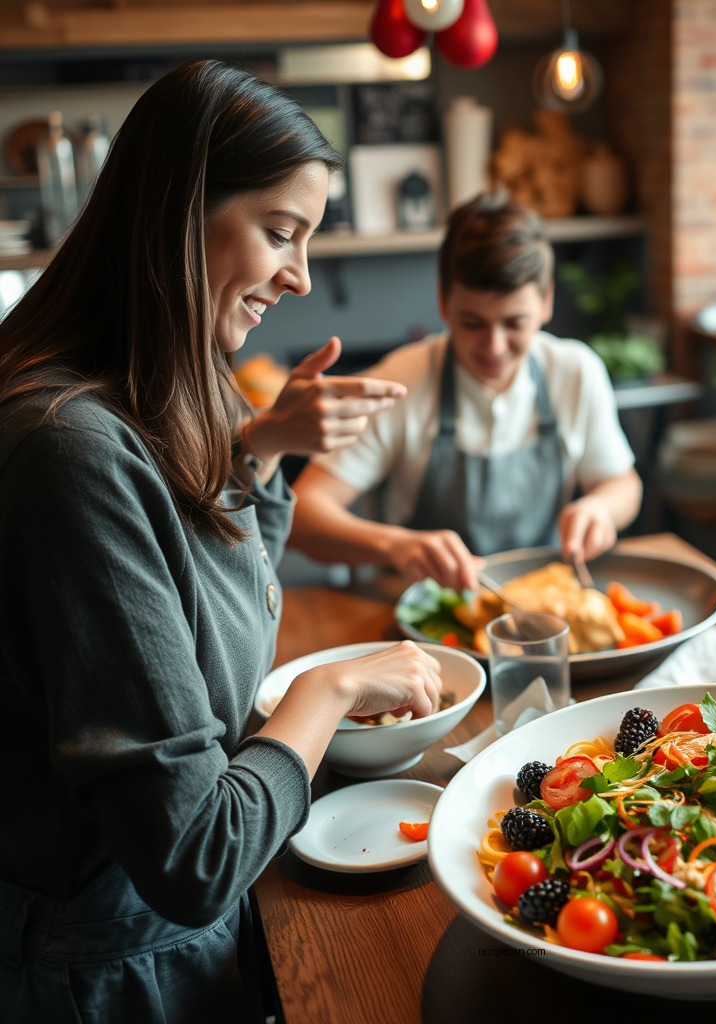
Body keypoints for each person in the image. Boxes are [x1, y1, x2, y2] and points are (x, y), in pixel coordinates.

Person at [0, 59, 443, 1023]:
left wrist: (261, 452)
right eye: (281, 232)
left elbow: (205, 600)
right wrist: (335, 686)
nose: (301, 276)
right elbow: (196, 854)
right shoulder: (70, 448)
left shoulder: (152, 399)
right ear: (174, 216)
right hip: (102, 970)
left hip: (157, 947)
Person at [289, 192, 643, 592]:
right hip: (425, 620)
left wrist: (600, 508)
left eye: (514, 323)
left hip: (546, 605)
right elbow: (301, 516)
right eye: (473, 322)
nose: (493, 346)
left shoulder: (575, 372)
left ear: (546, 303)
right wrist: (394, 546)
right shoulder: (399, 382)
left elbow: (623, 485)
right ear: (443, 302)